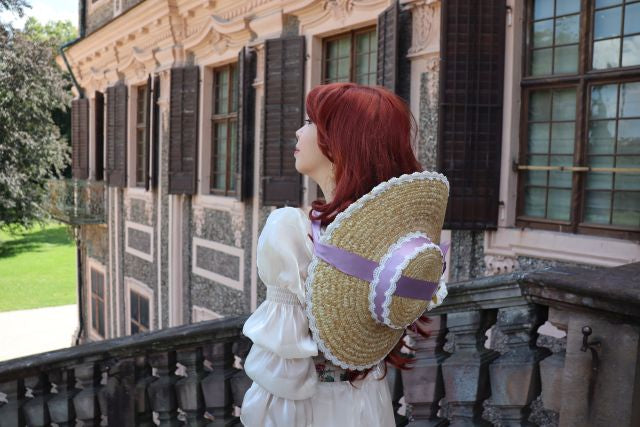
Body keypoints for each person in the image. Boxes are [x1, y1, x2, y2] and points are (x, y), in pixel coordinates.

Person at [240, 83, 449, 427]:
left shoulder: (289, 229)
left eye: (310, 122)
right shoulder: (396, 242)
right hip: (369, 400)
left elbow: (281, 370)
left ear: (339, 140)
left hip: (309, 408)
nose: (298, 130)